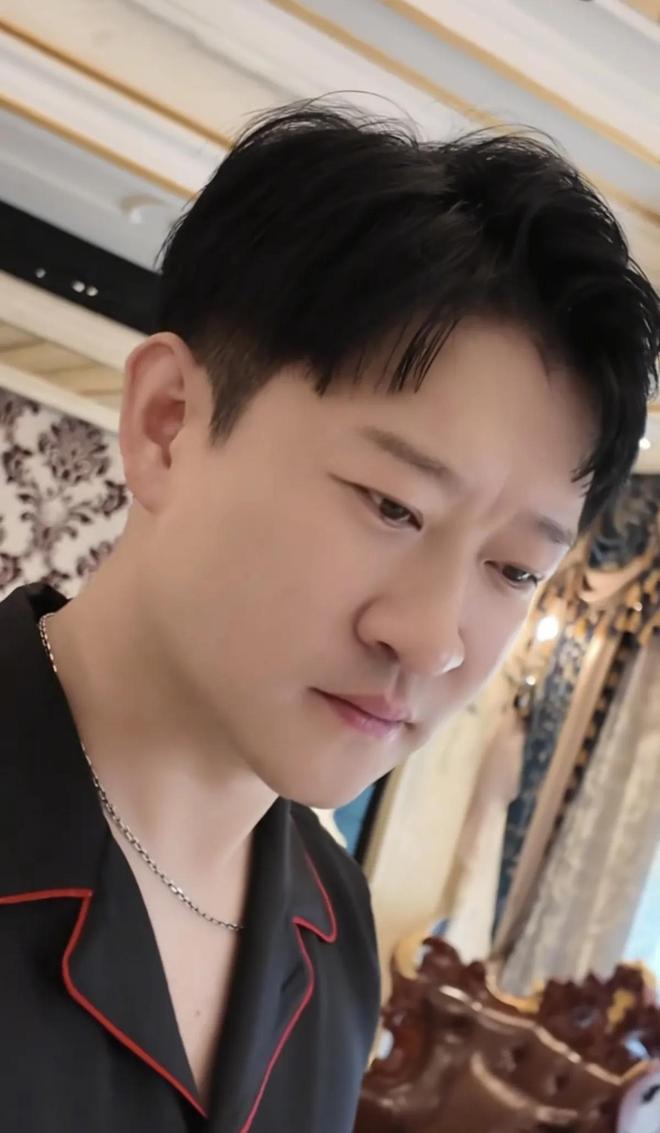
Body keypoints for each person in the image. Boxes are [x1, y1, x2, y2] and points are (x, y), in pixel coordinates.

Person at [0, 102, 658, 1133]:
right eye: (393, 505)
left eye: (514, 568)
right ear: (169, 424)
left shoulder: (337, 929)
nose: (433, 639)